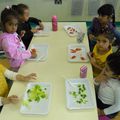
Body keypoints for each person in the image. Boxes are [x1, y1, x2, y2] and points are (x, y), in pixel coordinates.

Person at [0, 7, 37, 71]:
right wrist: (29, 54)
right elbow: (15, 54)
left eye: (16, 24)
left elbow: (15, 43)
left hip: (22, 60)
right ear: (3, 24)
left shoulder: (12, 33)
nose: (14, 28)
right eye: (10, 24)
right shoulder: (6, 41)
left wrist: (20, 36)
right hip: (17, 66)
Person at [94, 48, 120, 119]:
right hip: (99, 99)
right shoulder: (106, 73)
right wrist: (96, 81)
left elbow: (118, 106)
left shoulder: (117, 87)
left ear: (116, 75)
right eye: (105, 66)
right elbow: (96, 84)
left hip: (108, 109)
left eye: (107, 69)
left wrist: (102, 112)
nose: (103, 69)